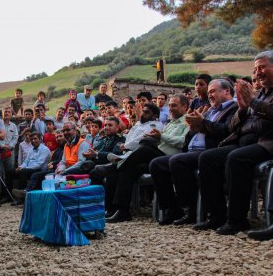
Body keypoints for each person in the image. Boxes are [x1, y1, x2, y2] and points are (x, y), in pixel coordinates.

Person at [194, 51, 273, 235]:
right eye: (255, 69)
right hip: (245, 141)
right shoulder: (260, 94)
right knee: (208, 158)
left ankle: (237, 220)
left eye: (262, 67)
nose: (258, 72)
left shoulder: (257, 97)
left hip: (266, 143)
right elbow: (232, 125)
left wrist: (252, 102)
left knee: (236, 158)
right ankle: (216, 216)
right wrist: (244, 109)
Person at [150, 80, 238, 226]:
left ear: (227, 91)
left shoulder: (234, 108)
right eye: (209, 92)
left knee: (177, 161)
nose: (209, 95)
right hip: (192, 150)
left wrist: (203, 123)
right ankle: (172, 209)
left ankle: (191, 209)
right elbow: (191, 136)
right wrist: (192, 128)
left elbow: (226, 130)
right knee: (157, 164)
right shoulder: (210, 111)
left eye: (212, 91)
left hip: (211, 150)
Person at [105, 95, 189, 223]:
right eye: (170, 105)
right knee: (129, 169)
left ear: (184, 107)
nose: (170, 109)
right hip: (158, 154)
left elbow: (182, 142)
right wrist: (154, 138)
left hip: (172, 157)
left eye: (174, 106)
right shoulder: (171, 123)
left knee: (145, 147)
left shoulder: (187, 121)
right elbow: (160, 140)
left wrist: (161, 137)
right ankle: (122, 210)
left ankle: (116, 164)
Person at [12, 131, 64, 201]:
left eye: (35, 139)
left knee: (24, 172)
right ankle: (10, 196)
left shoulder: (44, 149)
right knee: (10, 171)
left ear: (40, 139)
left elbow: (39, 164)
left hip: (39, 168)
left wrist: (25, 168)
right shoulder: (31, 150)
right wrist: (21, 167)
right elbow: (26, 161)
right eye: (32, 139)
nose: (33, 141)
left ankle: (23, 196)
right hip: (36, 168)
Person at [0, 107, 18, 201]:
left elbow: (15, 138)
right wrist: (2, 146)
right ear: (2, 113)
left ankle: (9, 196)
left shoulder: (14, 126)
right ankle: (0, 196)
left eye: (8, 112)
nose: (6, 113)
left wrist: (9, 146)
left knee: (9, 173)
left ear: (11, 114)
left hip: (10, 152)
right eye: (5, 111)